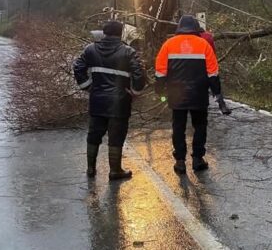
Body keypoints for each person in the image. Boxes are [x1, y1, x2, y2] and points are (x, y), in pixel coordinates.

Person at [73, 21, 146, 180]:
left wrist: (87, 86)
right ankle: (115, 170)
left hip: (98, 100)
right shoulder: (128, 52)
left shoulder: (90, 49)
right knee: (116, 136)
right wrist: (135, 91)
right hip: (120, 102)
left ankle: (90, 169)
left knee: (94, 134)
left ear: (104, 33)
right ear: (121, 34)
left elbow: (78, 67)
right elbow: (140, 74)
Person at [155, 15, 226, 174]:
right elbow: (213, 73)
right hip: (199, 93)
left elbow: (160, 71)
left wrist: (159, 90)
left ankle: (180, 161)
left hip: (176, 93)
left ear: (179, 27)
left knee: (178, 126)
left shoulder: (168, 44)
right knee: (200, 126)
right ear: (196, 28)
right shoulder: (204, 44)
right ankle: (197, 159)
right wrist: (217, 94)